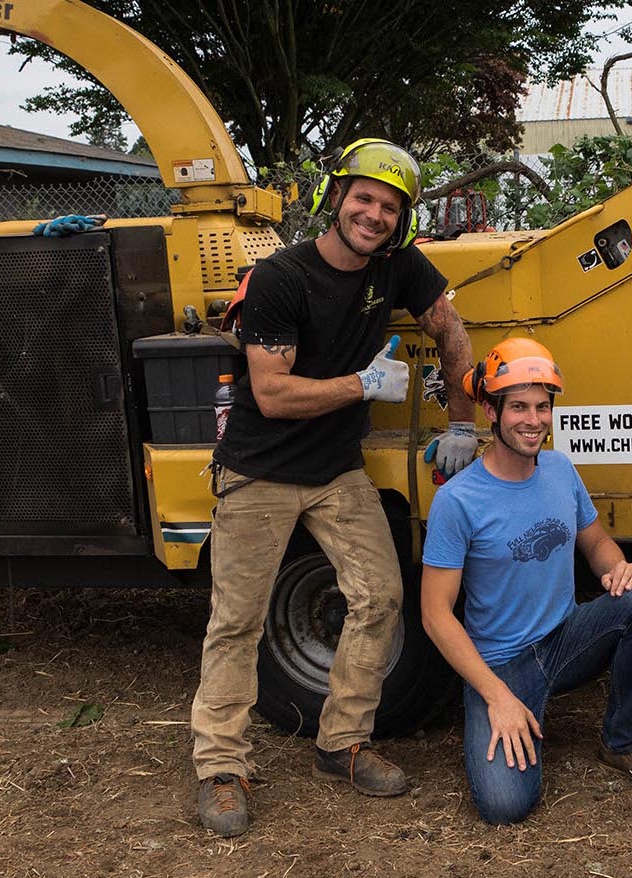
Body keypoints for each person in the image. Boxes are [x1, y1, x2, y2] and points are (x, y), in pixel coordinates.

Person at [192, 139, 477, 838]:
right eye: (365, 198)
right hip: (260, 467)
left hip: (335, 469)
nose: (374, 215)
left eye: (390, 206)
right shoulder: (279, 278)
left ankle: (342, 742)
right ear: (335, 197)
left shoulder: (398, 266)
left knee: (381, 597)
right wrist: (362, 385)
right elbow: (273, 392)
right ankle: (221, 767)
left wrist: (465, 423)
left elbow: (451, 329)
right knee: (238, 619)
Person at [420, 338, 632, 825]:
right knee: (506, 807)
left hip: (564, 642)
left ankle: (622, 743)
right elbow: (435, 615)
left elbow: (596, 541)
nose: (533, 420)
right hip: (499, 666)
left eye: (542, 406)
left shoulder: (560, 469)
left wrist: (616, 568)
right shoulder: (458, 501)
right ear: (491, 412)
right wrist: (497, 697)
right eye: (518, 406)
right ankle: (503, 709)